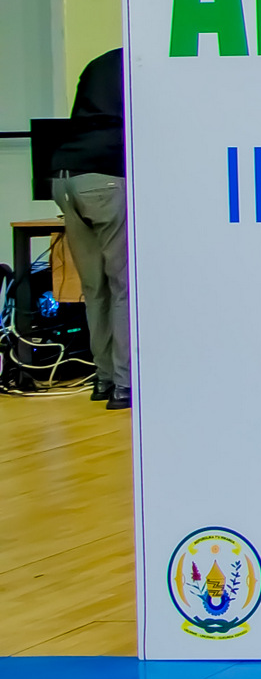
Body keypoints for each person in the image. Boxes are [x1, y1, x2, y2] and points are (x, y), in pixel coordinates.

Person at [48, 48, 127, 410]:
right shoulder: (139, 60)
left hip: (64, 175)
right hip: (105, 173)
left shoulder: (98, 63)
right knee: (123, 285)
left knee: (95, 289)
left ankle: (103, 379)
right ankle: (125, 385)